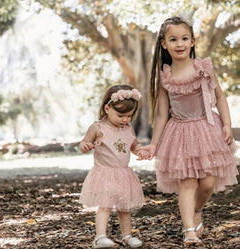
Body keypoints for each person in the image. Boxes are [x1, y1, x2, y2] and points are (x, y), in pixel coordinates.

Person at [138, 16, 239, 247]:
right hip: (180, 133)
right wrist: (154, 144)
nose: (179, 43)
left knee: (207, 184)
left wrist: (226, 124)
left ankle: (196, 210)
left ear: (192, 41)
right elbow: (162, 114)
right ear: (164, 44)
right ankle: (189, 231)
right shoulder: (164, 77)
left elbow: (220, 97)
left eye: (184, 38)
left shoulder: (203, 67)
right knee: (188, 182)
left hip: (206, 128)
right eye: (173, 39)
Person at [79, 84, 146, 249]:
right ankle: (100, 236)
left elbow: (134, 144)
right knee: (105, 205)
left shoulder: (128, 128)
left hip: (124, 175)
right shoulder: (98, 127)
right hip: (105, 174)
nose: (125, 119)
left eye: (129, 116)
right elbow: (84, 142)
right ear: (107, 108)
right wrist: (85, 145)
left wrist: (140, 151)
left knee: (125, 208)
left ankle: (127, 236)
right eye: (121, 115)